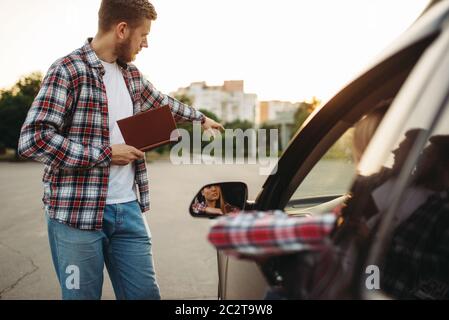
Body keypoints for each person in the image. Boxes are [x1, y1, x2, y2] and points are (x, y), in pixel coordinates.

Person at [17, 0, 223, 300]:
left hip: (128, 210)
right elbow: (33, 139)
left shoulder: (132, 75)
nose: (147, 43)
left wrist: (201, 119)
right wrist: (105, 154)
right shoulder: (68, 70)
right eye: (144, 35)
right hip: (77, 215)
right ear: (122, 29)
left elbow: (164, 103)